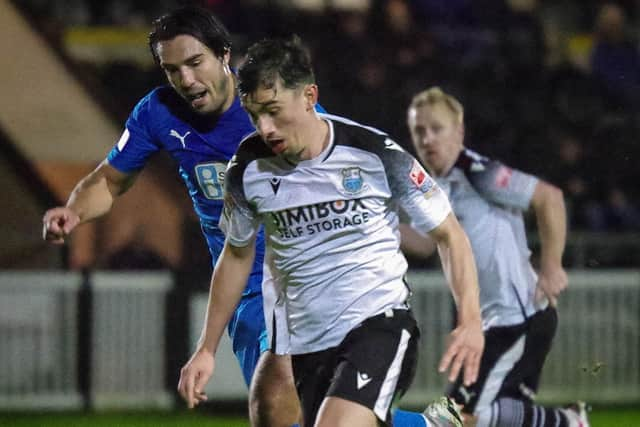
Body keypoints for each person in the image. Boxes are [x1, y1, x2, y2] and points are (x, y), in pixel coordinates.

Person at [177, 36, 484, 427]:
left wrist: (471, 320)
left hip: (378, 322)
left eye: (273, 110)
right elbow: (236, 255)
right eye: (255, 116)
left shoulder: (373, 152)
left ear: (309, 96)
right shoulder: (247, 168)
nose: (266, 128)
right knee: (272, 411)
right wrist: (206, 348)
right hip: (304, 339)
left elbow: (450, 234)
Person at [41, 6, 302, 426]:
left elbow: (334, 162)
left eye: (195, 63)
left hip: (310, 273)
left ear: (224, 55)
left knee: (318, 404)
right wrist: (73, 212)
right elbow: (109, 181)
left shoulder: (271, 102)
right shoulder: (157, 112)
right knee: (284, 405)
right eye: (172, 69)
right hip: (248, 288)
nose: (186, 80)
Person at [403, 87, 590, 427]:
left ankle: (567, 422)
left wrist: (551, 266)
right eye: (419, 131)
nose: (427, 139)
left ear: (459, 131)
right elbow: (425, 243)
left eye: (436, 128)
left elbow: (549, 198)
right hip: (487, 326)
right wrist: (374, 225)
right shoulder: (435, 188)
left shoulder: (478, 172)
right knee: (462, 417)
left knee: (457, 417)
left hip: (518, 319)